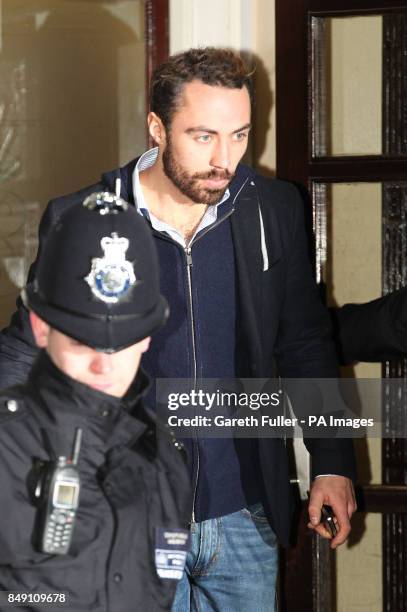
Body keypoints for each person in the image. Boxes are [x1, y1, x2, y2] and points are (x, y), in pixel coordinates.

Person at [0, 48, 356, 611]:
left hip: (245, 516)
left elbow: (305, 342)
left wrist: (333, 460)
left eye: (239, 135)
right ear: (157, 128)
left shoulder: (274, 209)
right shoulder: (83, 219)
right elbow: (29, 348)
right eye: (203, 136)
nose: (225, 159)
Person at [0, 191, 191, 611]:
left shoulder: (165, 464)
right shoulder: (5, 452)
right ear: (40, 327)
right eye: (82, 341)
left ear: (147, 336)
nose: (103, 367)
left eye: (121, 343)